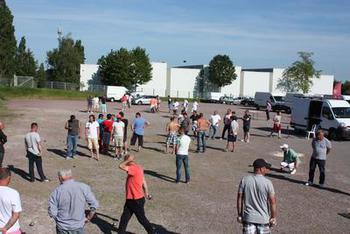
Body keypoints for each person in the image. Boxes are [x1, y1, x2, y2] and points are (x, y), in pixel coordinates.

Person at [48, 169, 99, 234]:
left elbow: (52, 212)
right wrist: (88, 218)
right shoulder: (83, 187)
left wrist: (60, 221)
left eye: (58, 177)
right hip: (78, 227)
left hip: (62, 228)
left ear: (61, 178)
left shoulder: (56, 192)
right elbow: (94, 204)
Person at [237, 158, 277, 234]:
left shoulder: (244, 180)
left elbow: (240, 199)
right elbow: (273, 202)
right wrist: (273, 217)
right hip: (263, 219)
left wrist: (239, 214)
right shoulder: (268, 183)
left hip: (249, 218)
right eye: (265, 168)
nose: (267, 170)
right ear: (261, 169)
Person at [118, 154, 155, 234]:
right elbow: (144, 183)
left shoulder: (133, 168)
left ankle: (152, 232)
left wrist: (127, 160)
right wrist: (147, 194)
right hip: (131, 199)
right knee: (124, 218)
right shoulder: (139, 168)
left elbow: (120, 166)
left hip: (135, 200)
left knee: (142, 219)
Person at [0, 168, 22, 234]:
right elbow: (16, 214)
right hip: (11, 230)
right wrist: (5, 228)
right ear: (8, 178)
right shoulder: (13, 193)